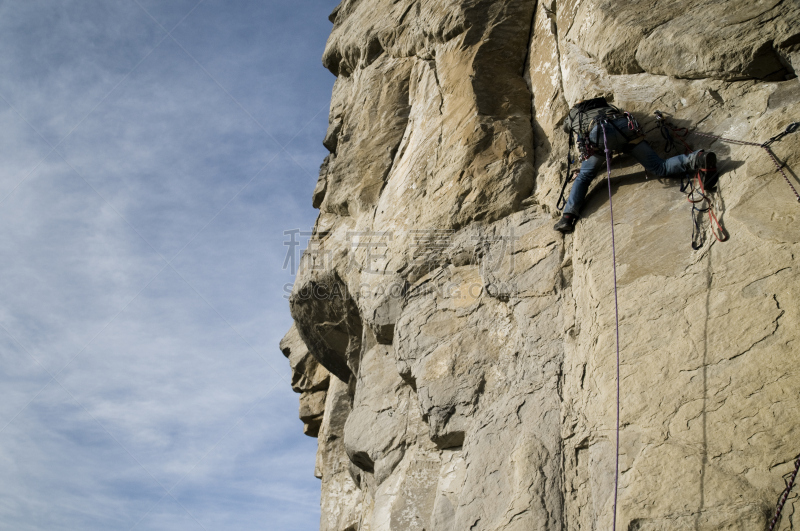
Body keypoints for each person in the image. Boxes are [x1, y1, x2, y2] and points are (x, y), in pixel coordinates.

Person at [553, 97, 718, 233]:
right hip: (625, 128)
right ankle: (698, 158)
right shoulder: (607, 105)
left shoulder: (576, 112)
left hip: (599, 134)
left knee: (585, 175)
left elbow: (567, 128)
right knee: (659, 167)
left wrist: (575, 110)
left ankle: (567, 217)